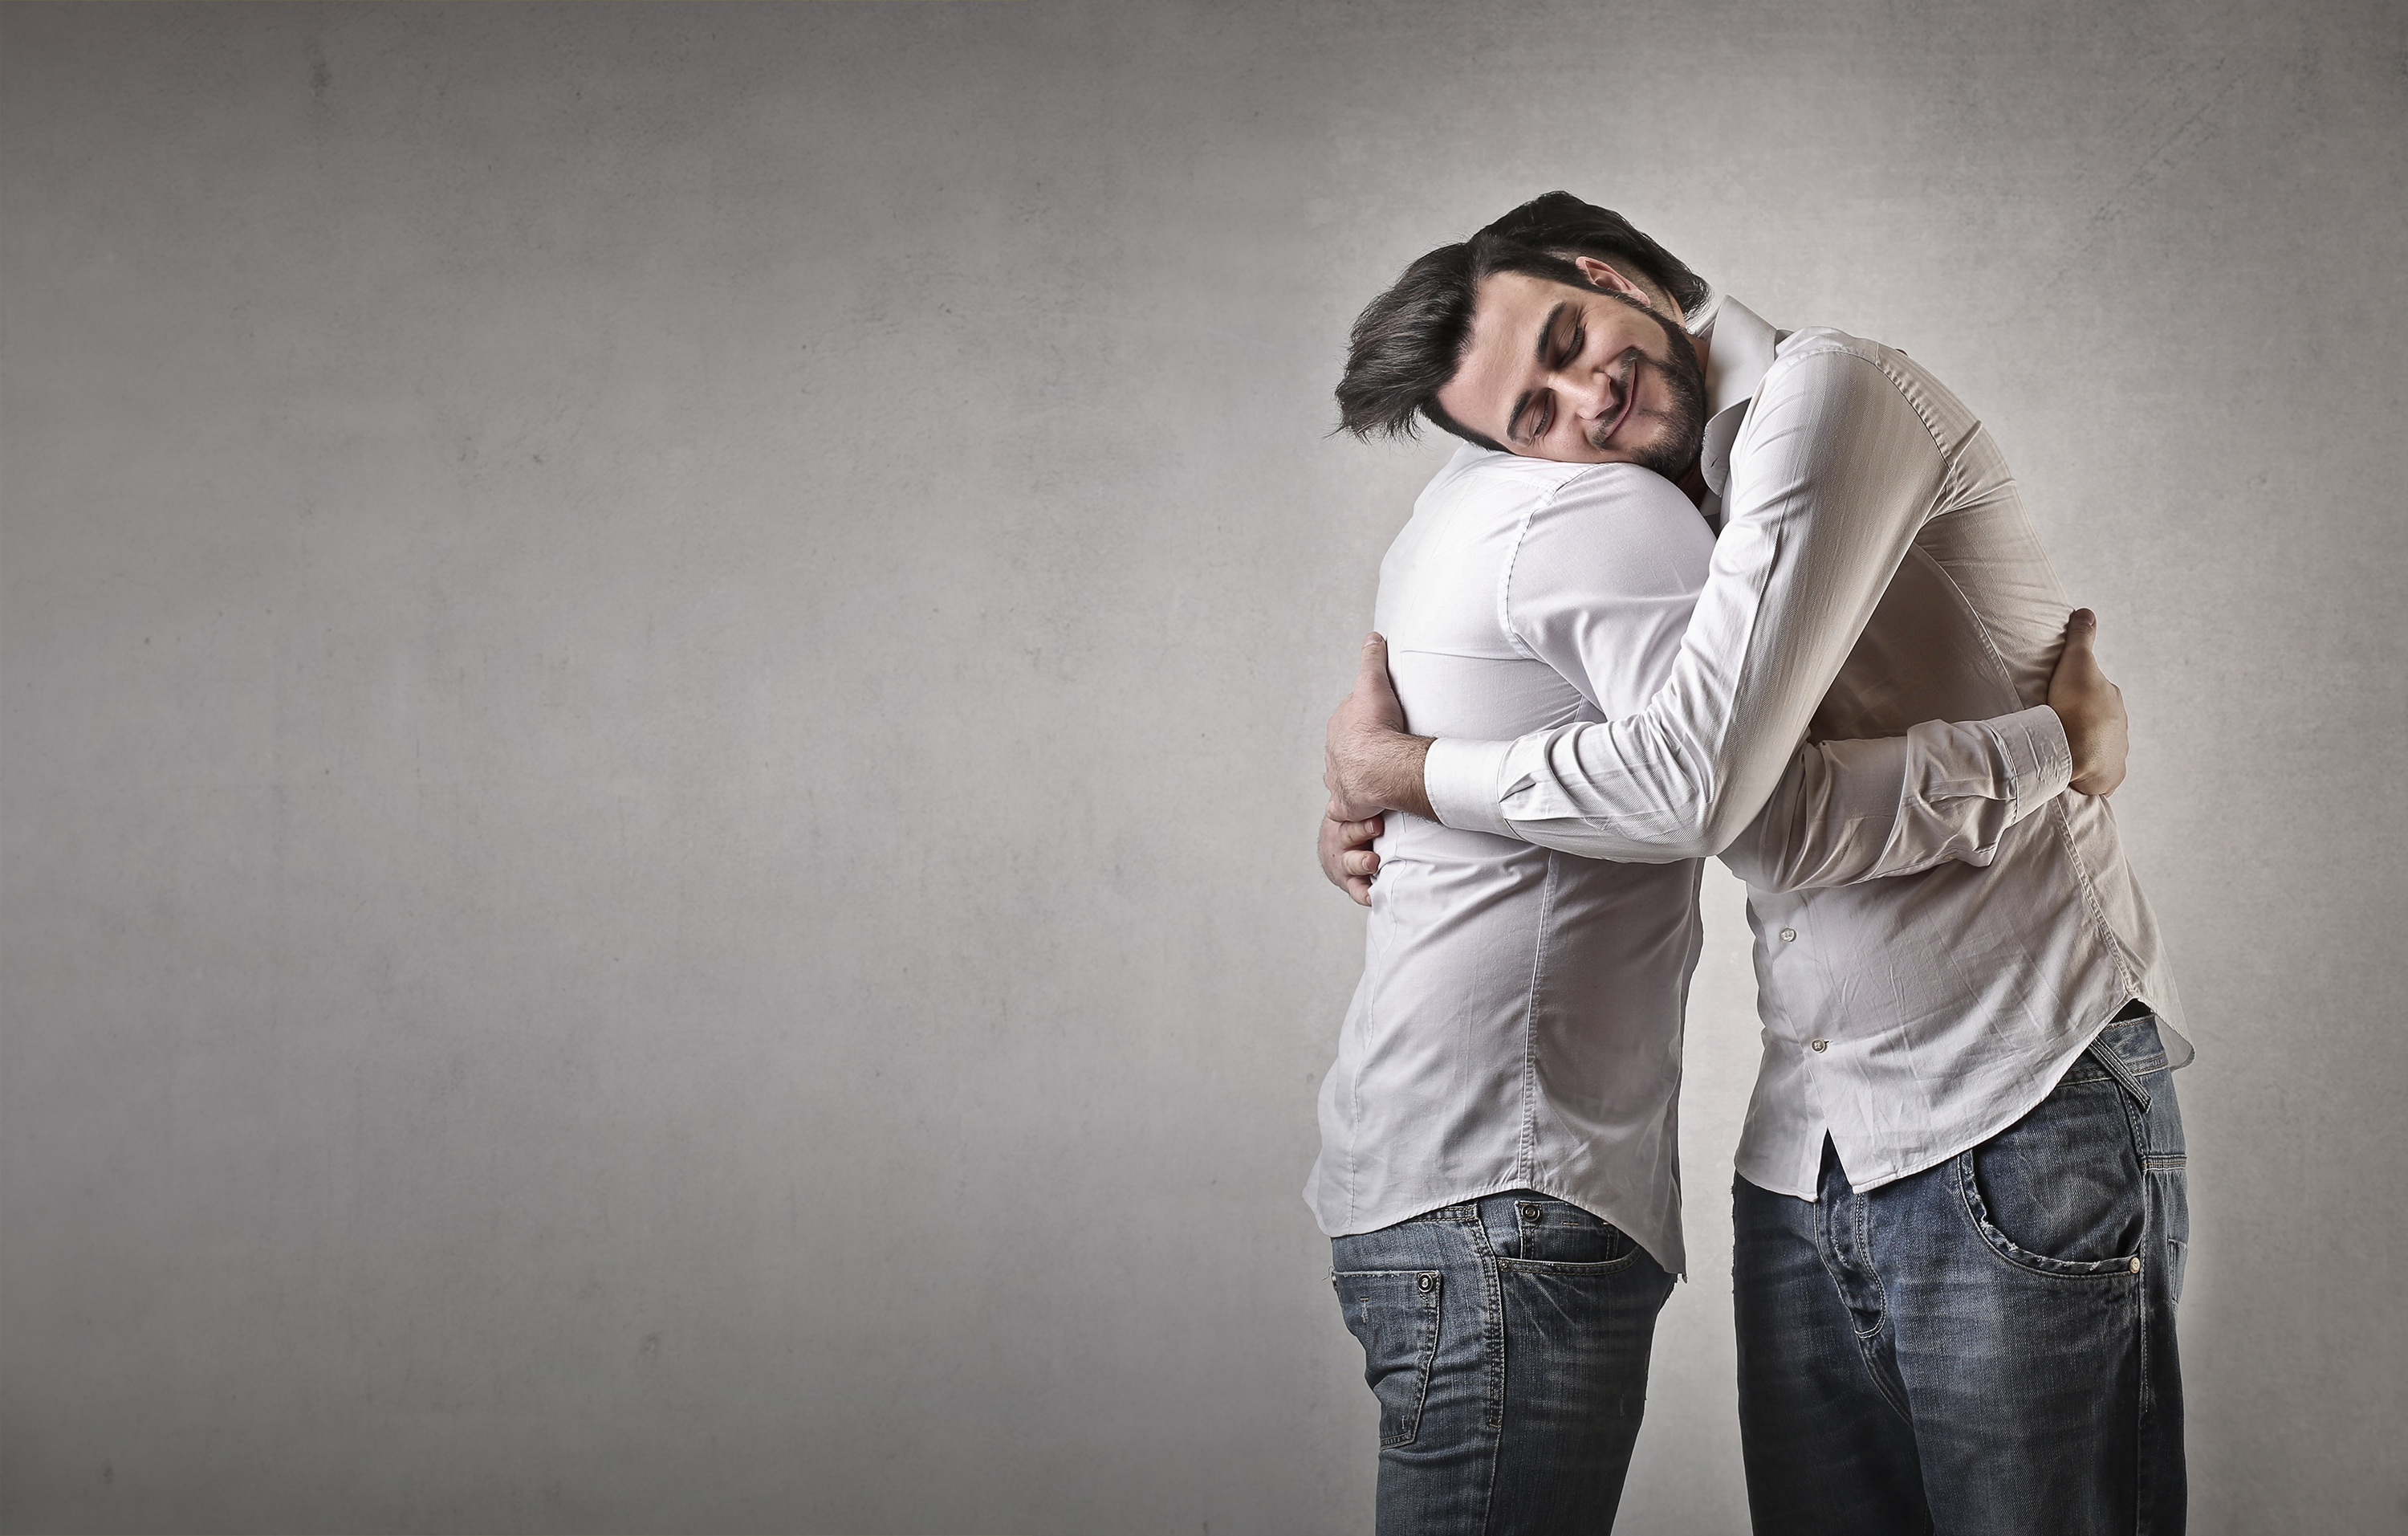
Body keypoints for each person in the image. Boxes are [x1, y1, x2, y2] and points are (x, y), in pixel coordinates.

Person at [1320, 193, 2190, 1535]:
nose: (1587, 402)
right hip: (1809, 1150)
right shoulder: (1651, 506)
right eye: (1535, 416)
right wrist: (1375, 793)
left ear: (1610, 273)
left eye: (1568, 340)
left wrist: (1413, 774)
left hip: (2018, 1090)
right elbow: (1711, 791)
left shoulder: (1824, 397)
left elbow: (1718, 798)